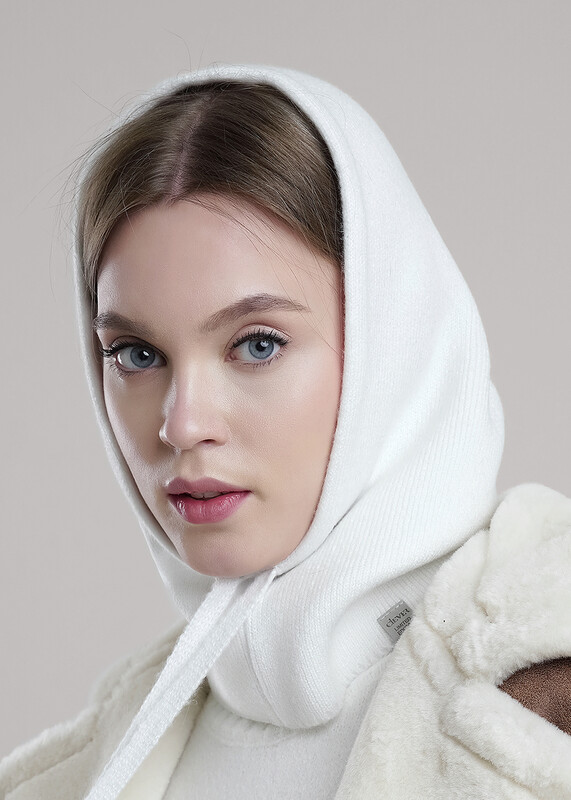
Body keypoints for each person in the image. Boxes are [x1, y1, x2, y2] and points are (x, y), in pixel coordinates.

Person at [1, 64, 570, 800]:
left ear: (391, 341)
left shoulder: (545, 702)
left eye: (257, 344)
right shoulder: (81, 772)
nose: (182, 423)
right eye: (136, 355)